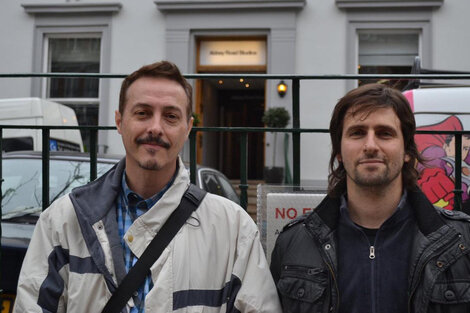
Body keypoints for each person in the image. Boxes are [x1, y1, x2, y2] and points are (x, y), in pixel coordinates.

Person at [14, 61, 281, 313]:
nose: (155, 127)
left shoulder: (234, 229)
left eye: (170, 116)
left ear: (188, 128)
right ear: (119, 121)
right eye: (142, 113)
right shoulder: (61, 221)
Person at [270, 83, 470, 313]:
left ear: (407, 151)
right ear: (339, 152)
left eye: (385, 133)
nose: (370, 146)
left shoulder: (461, 241)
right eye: (357, 133)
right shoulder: (294, 243)